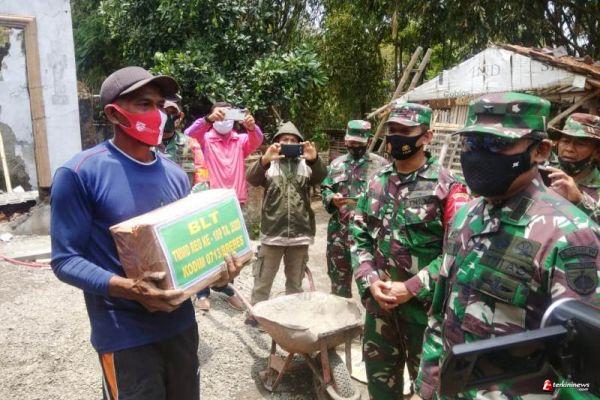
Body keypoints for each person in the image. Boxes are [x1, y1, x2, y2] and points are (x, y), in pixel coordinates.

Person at [50, 66, 244, 400]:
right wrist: (130, 289)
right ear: (114, 113)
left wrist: (216, 272)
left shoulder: (175, 176)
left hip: (181, 327)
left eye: (159, 105)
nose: (157, 114)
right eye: (144, 104)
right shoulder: (79, 174)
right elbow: (65, 260)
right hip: (124, 335)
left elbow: (184, 250)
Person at [414, 92, 600, 400]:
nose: (479, 155)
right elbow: (440, 314)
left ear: (540, 151)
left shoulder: (571, 236)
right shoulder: (466, 215)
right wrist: (428, 387)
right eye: (472, 143)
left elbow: (584, 377)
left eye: (497, 144)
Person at [351, 103, 469, 399]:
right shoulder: (376, 181)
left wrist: (412, 287)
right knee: (380, 389)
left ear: (427, 137)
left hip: (426, 316)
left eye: (405, 131)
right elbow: (359, 235)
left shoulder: (448, 188)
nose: (396, 137)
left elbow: (459, 253)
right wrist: (370, 280)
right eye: (392, 130)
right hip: (380, 311)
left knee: (430, 392)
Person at [185, 102, 262, 311]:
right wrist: (207, 120)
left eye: (229, 115)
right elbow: (189, 134)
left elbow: (257, 140)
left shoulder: (240, 140)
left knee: (232, 248)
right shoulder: (206, 138)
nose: (224, 119)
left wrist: (252, 127)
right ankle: (202, 292)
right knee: (206, 246)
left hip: (236, 201)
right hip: (211, 201)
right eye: (220, 114)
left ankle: (226, 287)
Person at [246, 122, 326, 314]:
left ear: (300, 144)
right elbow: (251, 178)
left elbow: (322, 176)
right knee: (263, 280)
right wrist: (264, 160)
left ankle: (292, 317)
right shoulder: (270, 164)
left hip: (300, 234)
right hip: (272, 233)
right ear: (277, 143)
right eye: (284, 140)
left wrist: (314, 160)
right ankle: (256, 315)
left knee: (295, 283)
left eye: (293, 140)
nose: (289, 143)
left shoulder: (306, 164)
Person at [321, 120, 389, 298]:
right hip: (339, 235)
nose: (354, 146)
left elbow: (390, 196)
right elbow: (326, 188)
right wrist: (331, 198)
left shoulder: (381, 166)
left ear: (368, 141)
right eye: (351, 142)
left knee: (373, 288)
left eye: (359, 143)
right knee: (338, 288)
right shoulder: (336, 164)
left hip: (369, 236)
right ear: (345, 140)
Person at [545, 113, 600, 224]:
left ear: (597, 152)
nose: (569, 149)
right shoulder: (544, 172)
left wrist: (580, 201)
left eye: (580, 144)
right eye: (565, 141)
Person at [157, 100, 210, 190]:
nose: (168, 117)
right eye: (164, 112)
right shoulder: (145, 144)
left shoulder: (189, 143)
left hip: (184, 197)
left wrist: (196, 195)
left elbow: (202, 174)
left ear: (180, 116)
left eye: (172, 113)